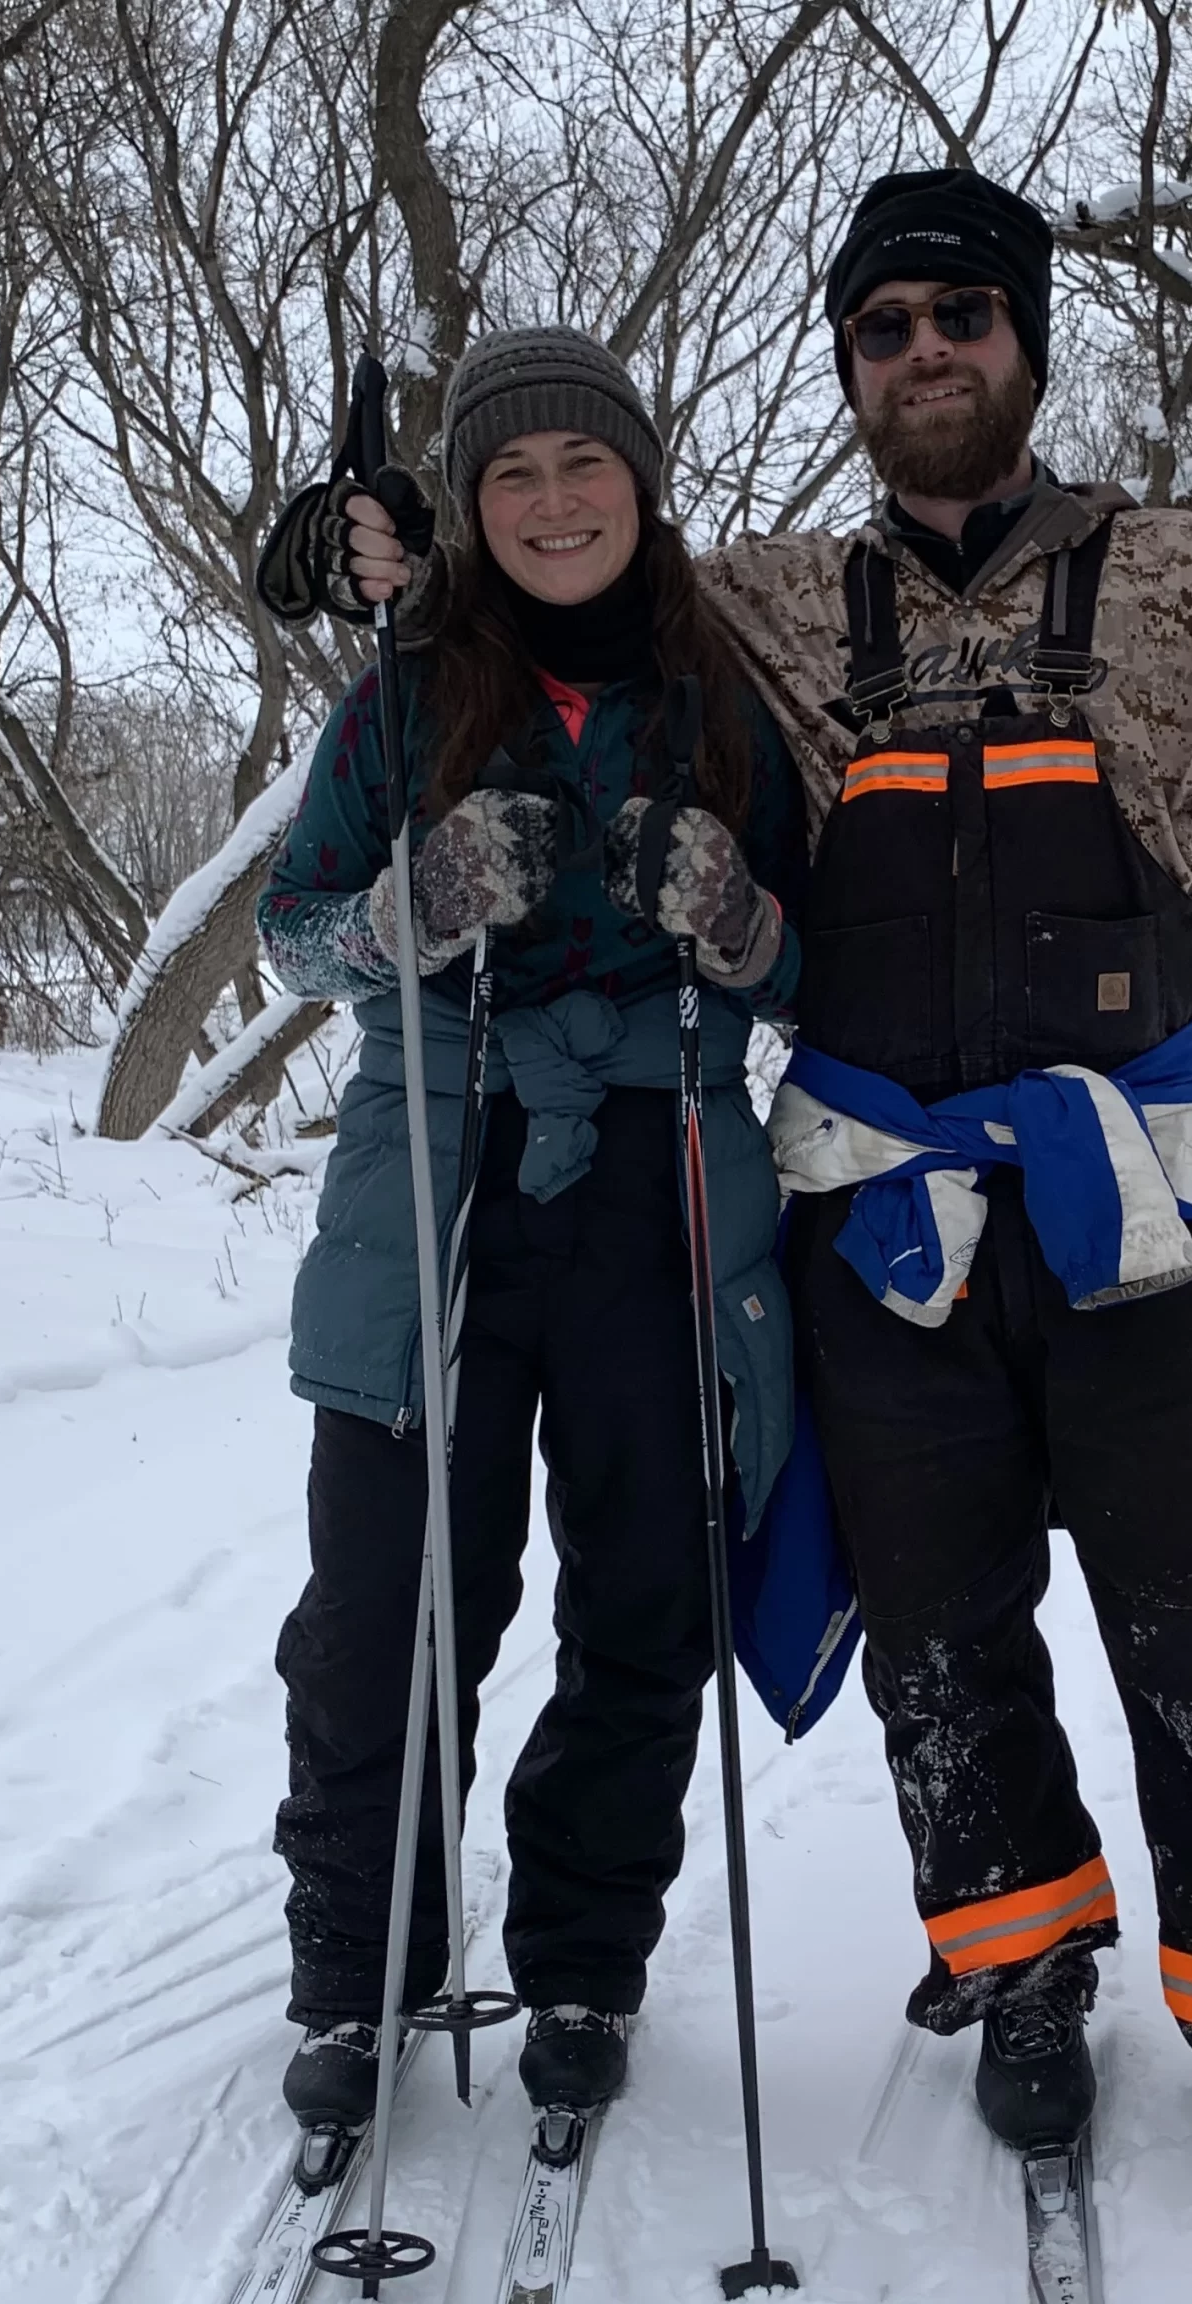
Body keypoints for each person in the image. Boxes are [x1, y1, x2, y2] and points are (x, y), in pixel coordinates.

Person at [261, 176, 1192, 2240]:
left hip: (1134, 1176)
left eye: (960, 314)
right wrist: (395, 557)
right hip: (880, 1204)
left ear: (1025, 341)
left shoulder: (1189, 577)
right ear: (849, 371)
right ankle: (1021, 1957)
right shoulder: (772, 610)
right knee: (941, 1635)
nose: (923, 352)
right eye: (880, 328)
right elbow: (563, 591)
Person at [254, 327, 808, 2145]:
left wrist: (734, 921)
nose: (554, 501)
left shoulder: (732, 681)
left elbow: (815, 952)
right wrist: (409, 911)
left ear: (641, 487)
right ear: (472, 513)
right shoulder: (409, 690)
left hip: (666, 1170)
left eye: (585, 465)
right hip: (438, 1168)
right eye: (512, 476)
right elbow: (297, 928)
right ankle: (362, 1962)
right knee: (394, 1598)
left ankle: (586, 1952)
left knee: (647, 1588)